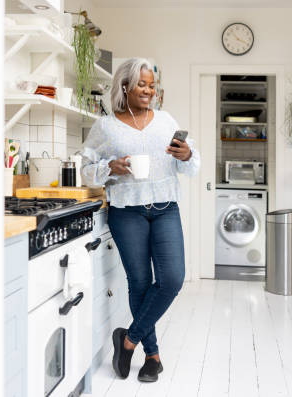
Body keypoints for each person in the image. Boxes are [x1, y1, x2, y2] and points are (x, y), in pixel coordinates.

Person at [80, 58, 200, 382]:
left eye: (151, 84)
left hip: (165, 208)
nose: (148, 90)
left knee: (172, 279)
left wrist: (187, 155)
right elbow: (84, 167)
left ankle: (128, 339)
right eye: (141, 84)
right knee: (140, 283)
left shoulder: (165, 120)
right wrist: (110, 168)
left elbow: (192, 164)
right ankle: (153, 356)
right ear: (125, 86)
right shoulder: (106, 126)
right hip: (126, 210)